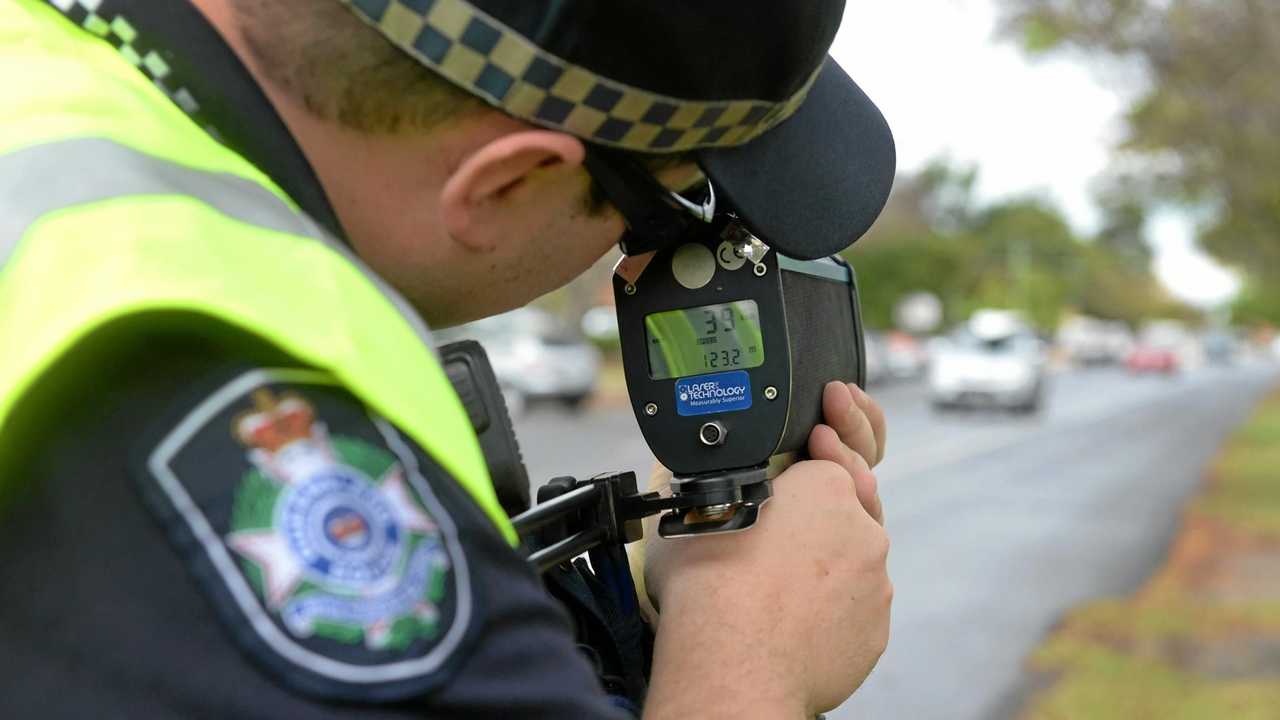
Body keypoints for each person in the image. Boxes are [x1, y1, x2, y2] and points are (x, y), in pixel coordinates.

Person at [0, 0, 896, 717]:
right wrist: (752, 665)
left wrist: (632, 608)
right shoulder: (209, 395)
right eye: (665, 206)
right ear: (504, 181)